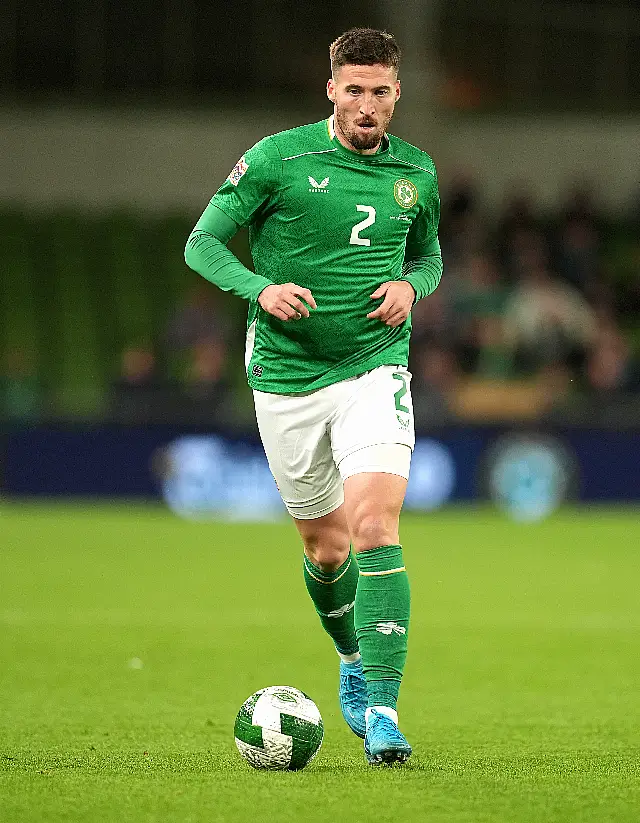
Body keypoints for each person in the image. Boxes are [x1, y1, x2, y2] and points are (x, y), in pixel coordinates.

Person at [184, 27, 443, 766]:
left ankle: (385, 710)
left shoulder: (417, 173)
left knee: (376, 528)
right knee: (326, 550)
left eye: (380, 91)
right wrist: (259, 288)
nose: (367, 104)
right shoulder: (277, 159)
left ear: (398, 94)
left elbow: (428, 255)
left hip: (374, 367)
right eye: (354, 89)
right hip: (288, 376)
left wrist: (411, 285)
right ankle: (352, 655)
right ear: (331, 89)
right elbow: (201, 242)